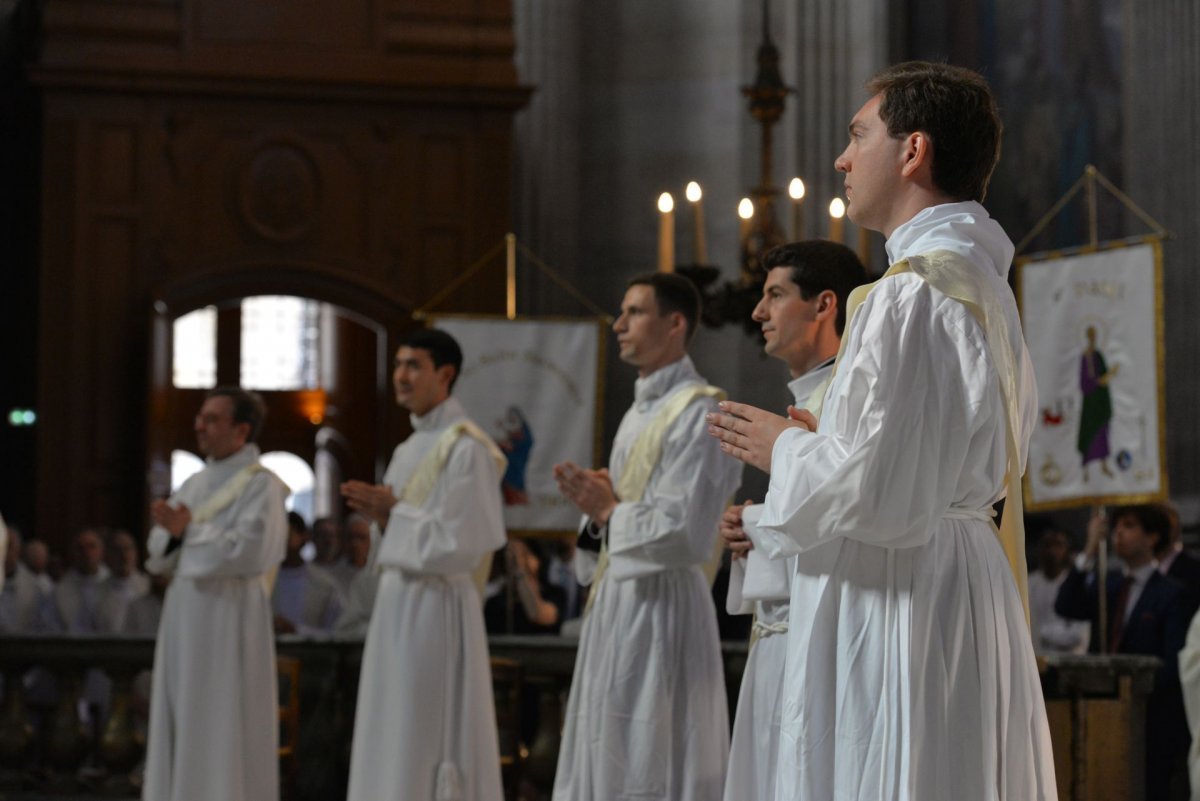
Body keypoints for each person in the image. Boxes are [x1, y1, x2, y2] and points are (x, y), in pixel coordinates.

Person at [707, 61, 1057, 798]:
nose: (841, 158)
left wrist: (786, 446)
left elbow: (880, 490)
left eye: (858, 134)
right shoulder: (980, 285)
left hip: (905, 590)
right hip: (956, 571)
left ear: (913, 150)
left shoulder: (910, 294)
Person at [551, 272, 742, 801]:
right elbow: (618, 514)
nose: (618, 324)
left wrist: (609, 510)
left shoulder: (701, 410)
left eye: (634, 312)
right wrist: (597, 512)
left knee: (650, 757)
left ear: (675, 323)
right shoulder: (639, 412)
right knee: (606, 748)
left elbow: (686, 531)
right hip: (615, 603)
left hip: (664, 607)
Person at [719, 240, 865, 801]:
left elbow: (854, 515)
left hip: (824, 644)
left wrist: (759, 526)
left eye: (774, 295)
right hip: (780, 636)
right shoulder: (812, 397)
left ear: (824, 304)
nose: (758, 312)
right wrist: (750, 528)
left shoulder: (849, 398)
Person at [341, 327, 507, 801]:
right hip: (396, 605)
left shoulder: (467, 448)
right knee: (390, 728)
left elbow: (464, 542)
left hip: (437, 608)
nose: (401, 375)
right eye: (397, 365)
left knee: (422, 728)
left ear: (446, 374)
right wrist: (384, 518)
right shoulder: (406, 450)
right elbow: (395, 535)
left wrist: (392, 514)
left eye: (414, 365)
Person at [142, 387, 289, 801]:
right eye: (200, 417)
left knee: (221, 719)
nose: (198, 425)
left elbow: (251, 551)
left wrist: (186, 534)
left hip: (230, 615)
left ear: (241, 429)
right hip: (185, 614)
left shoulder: (263, 487)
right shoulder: (195, 481)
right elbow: (157, 552)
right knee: (183, 716)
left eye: (211, 418)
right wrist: (175, 538)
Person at [1057, 505, 1194, 799]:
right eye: (1116, 526)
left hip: (1148, 720)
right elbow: (1066, 604)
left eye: (1129, 526)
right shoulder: (1110, 585)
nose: (1118, 532)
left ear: (1152, 537)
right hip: (1100, 710)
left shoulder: (1172, 593)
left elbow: (1173, 663)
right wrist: (1090, 551)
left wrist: (1133, 688)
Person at [271, 511, 344, 635]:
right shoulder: (264, 581)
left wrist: (296, 630)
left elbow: (336, 631)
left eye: (287, 535)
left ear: (303, 537)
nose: (282, 542)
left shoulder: (324, 583)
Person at [1026, 524, 1090, 655]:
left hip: (1069, 661)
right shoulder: (1029, 583)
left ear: (1068, 550)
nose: (1052, 552)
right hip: (1036, 660)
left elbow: (1076, 634)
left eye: (1058, 545)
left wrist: (1042, 632)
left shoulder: (1075, 585)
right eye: (1047, 545)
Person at [46, 527, 110, 633]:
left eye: (91, 546)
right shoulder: (60, 591)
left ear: (102, 551)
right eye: (80, 548)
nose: (86, 552)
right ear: (72, 553)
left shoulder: (114, 586)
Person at [1078, 325, 1117, 481]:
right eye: (1091, 335)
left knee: (1102, 433)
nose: (1093, 338)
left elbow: (1104, 375)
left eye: (1095, 335)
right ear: (1088, 337)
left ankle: (1104, 465)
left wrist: (1107, 377)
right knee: (1088, 432)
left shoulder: (1099, 355)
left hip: (1100, 401)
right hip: (1090, 401)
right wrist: (1097, 382)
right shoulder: (1085, 356)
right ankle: (1085, 470)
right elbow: (1084, 381)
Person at [97, 529, 151, 634]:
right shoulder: (97, 591)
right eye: (117, 550)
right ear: (107, 555)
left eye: (128, 549)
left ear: (136, 553)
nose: (124, 555)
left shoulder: (148, 587)